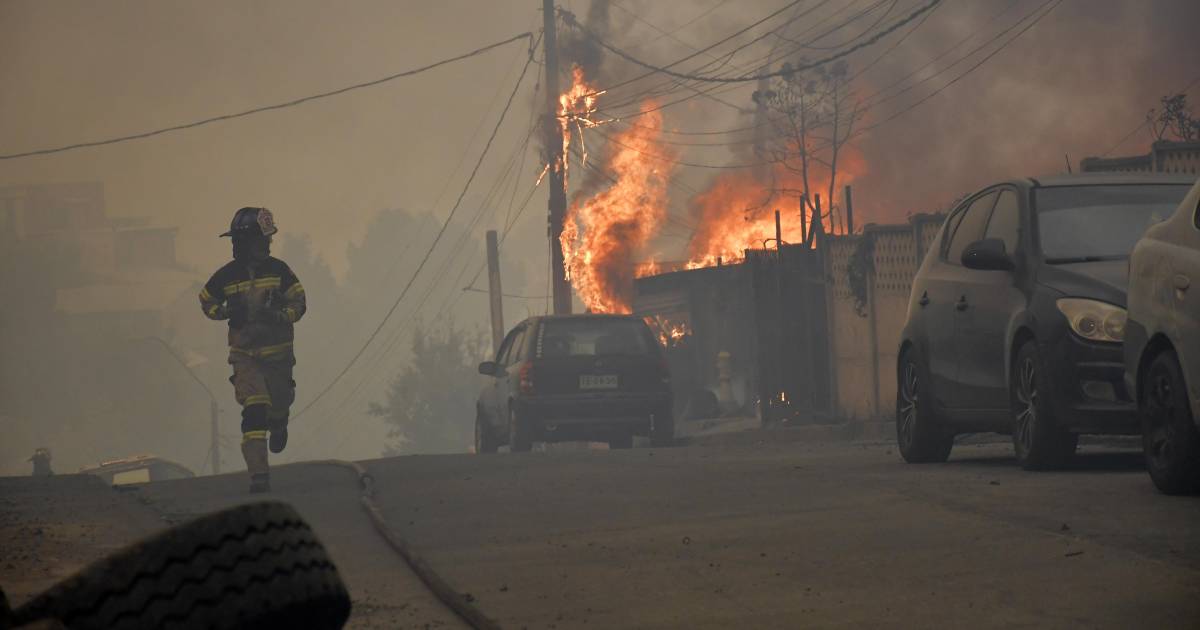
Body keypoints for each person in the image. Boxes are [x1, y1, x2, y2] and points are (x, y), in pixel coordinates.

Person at [199, 207, 306, 493]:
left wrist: (281, 315)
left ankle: (279, 422)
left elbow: (300, 302)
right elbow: (206, 301)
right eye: (261, 240)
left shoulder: (279, 271)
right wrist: (225, 312)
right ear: (243, 243)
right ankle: (259, 474)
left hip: (279, 358)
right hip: (245, 358)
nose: (266, 244)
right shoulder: (226, 276)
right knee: (254, 410)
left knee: (279, 403)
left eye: (267, 239)